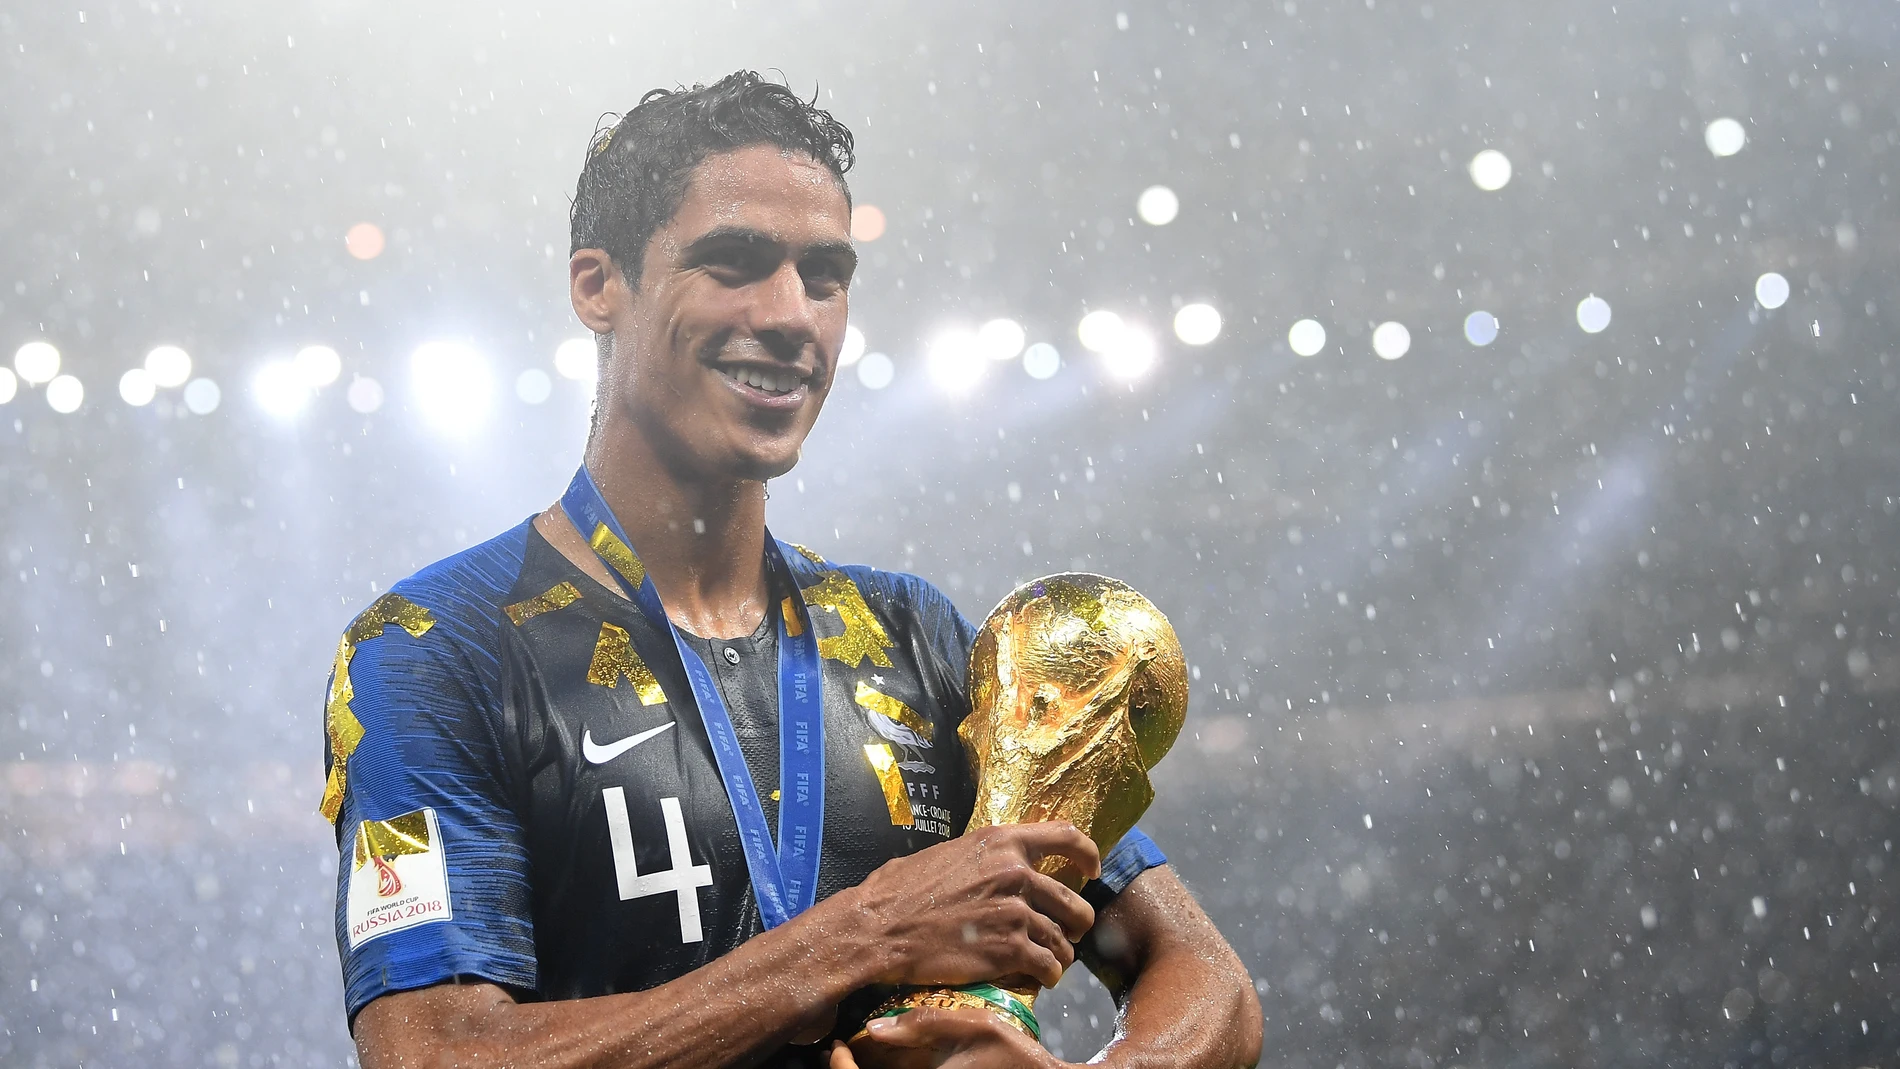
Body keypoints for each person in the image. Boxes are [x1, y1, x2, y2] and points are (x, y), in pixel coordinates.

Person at [320, 71, 1262, 1069]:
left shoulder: (913, 636)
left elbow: (1208, 978)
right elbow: (436, 1057)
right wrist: (861, 937)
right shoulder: (430, 649)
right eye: (732, 263)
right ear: (598, 285)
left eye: (824, 275)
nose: (791, 316)